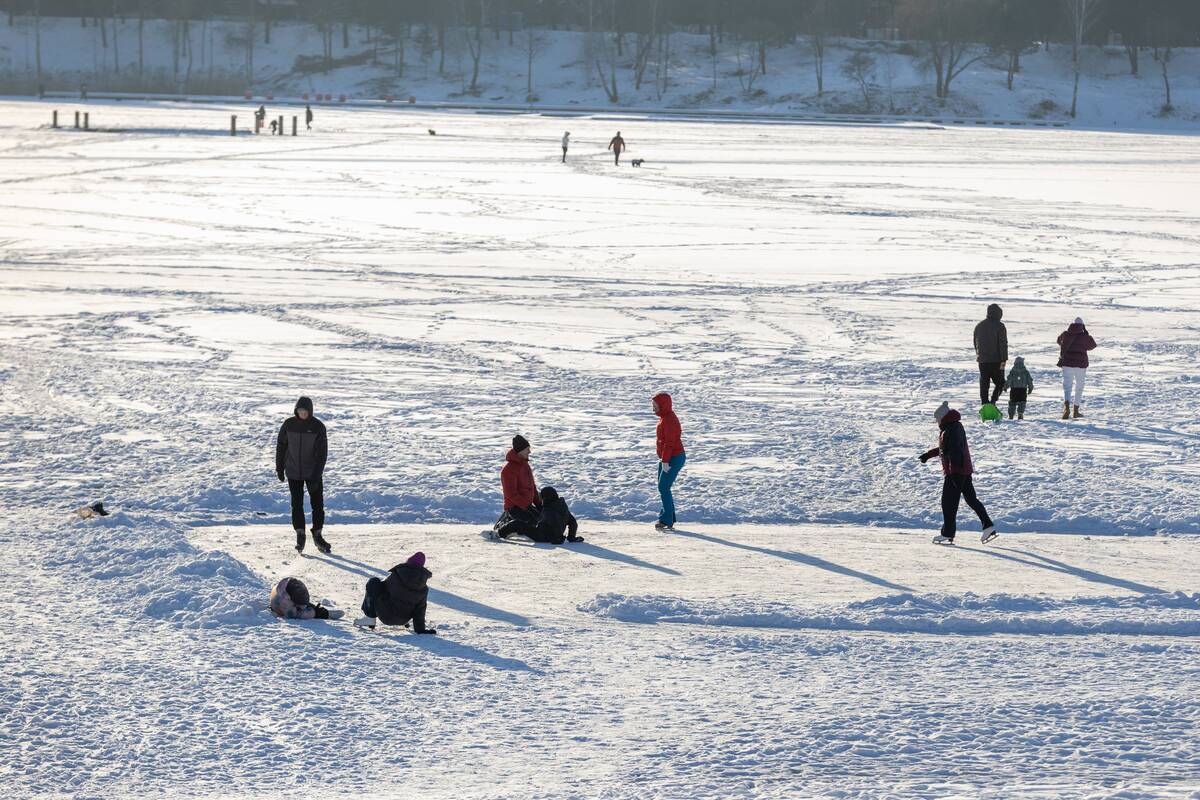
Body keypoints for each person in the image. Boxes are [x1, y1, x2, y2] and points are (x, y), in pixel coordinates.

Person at [920, 402, 997, 546]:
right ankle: (988, 526)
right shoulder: (952, 427)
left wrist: (954, 473)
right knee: (971, 499)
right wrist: (928, 454)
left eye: (937, 419)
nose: (937, 422)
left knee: (948, 503)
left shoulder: (952, 429)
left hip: (956, 471)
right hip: (962, 470)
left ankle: (948, 533)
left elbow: (955, 451)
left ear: (943, 418)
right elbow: (946, 449)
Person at [276, 396, 331, 554]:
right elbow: (281, 446)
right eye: (299, 411)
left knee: (317, 505)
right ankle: (300, 534)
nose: (302, 414)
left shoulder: (318, 427)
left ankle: (317, 534)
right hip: (293, 471)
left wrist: (316, 475)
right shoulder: (288, 424)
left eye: (305, 411)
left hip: (312, 472)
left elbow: (322, 454)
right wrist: (279, 468)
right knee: (297, 504)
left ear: (310, 411)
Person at [354, 552, 437, 633]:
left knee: (374, 582)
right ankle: (406, 623)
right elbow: (420, 610)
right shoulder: (424, 588)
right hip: (403, 620)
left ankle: (370, 618)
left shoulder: (397, 574)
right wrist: (420, 629)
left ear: (408, 563)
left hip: (385, 615)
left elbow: (382, 588)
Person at [497, 486, 583, 543]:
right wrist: (571, 537)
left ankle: (498, 534)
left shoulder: (549, 510)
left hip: (543, 536)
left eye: (541, 497)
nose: (540, 500)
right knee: (530, 519)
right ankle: (516, 532)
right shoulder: (562, 508)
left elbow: (542, 520)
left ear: (546, 498)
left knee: (517, 523)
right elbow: (573, 523)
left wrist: (557, 538)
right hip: (552, 535)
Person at [653, 392, 685, 531]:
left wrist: (666, 461)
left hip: (673, 457)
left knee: (664, 487)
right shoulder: (664, 417)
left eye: (655, 406)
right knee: (663, 487)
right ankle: (668, 517)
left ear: (663, 406)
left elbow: (669, 443)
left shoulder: (669, 420)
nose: (653, 408)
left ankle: (666, 519)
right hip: (666, 458)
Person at [496, 435, 540, 533]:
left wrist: (539, 504)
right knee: (532, 523)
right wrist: (525, 507)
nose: (530, 452)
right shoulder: (508, 469)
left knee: (542, 521)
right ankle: (506, 521)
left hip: (526, 505)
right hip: (514, 507)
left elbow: (532, 487)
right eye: (527, 449)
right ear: (520, 450)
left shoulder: (525, 465)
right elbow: (511, 494)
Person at [1057, 316, 1097, 420]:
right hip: (1080, 365)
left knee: (1067, 386)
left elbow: (1058, 341)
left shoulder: (1065, 334)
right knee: (1079, 386)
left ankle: (1066, 408)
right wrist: (1086, 332)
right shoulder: (1084, 337)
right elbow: (1093, 345)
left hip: (1067, 364)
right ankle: (1076, 410)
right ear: (1082, 326)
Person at [973, 303, 1008, 407]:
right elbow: (1003, 344)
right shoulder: (1000, 326)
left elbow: (975, 342)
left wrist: (979, 354)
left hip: (982, 360)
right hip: (996, 360)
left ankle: (984, 404)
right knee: (1000, 383)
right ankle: (992, 402)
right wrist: (1004, 360)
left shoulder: (979, 325)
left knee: (984, 384)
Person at [269, 577, 339, 620]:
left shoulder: (289, 584)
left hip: (286, 597)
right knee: (304, 610)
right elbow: (296, 615)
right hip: (280, 605)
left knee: (304, 604)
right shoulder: (285, 603)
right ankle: (321, 612)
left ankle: (314, 608)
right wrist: (315, 613)